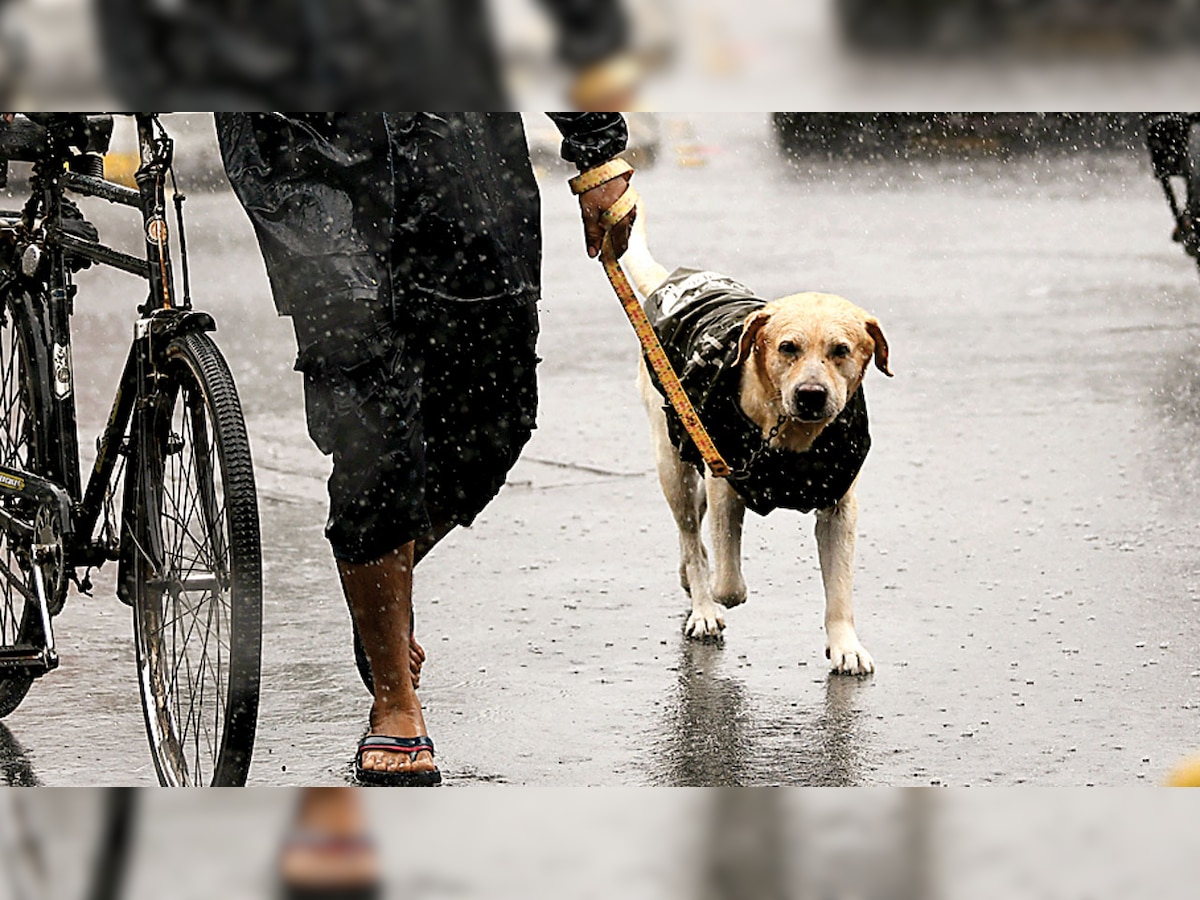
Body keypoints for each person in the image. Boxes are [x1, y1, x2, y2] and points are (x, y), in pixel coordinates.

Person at [219, 111, 636, 792]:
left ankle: (381, 591)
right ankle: (395, 697)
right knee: (371, 430)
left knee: (495, 423)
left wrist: (596, 149)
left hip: (462, 155)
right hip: (309, 161)